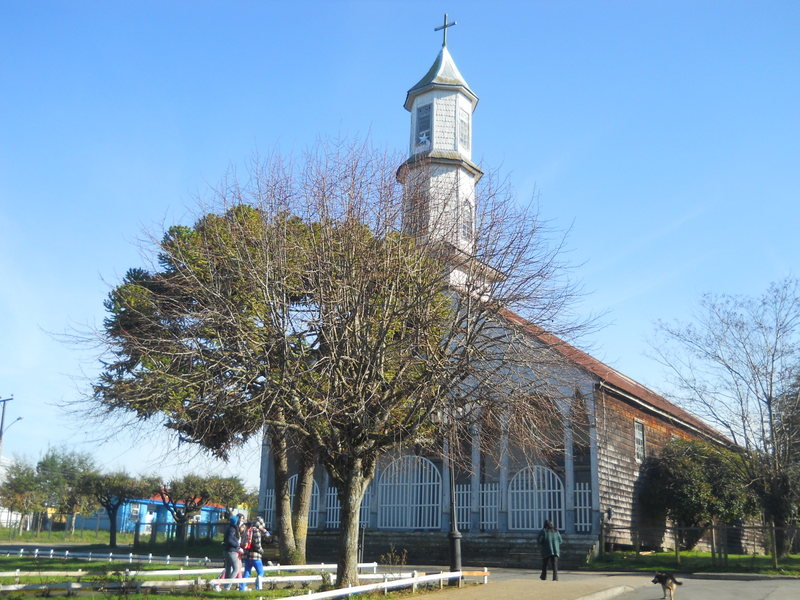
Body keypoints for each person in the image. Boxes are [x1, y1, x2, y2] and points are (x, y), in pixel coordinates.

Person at [241, 516, 269, 590]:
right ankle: (258, 588)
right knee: (261, 573)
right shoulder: (256, 530)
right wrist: (261, 551)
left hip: (248, 555)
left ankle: (242, 588)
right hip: (255, 556)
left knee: (247, 572)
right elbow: (257, 544)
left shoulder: (249, 529)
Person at [222, 513, 244, 590]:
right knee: (236, 569)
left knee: (228, 569)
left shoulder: (229, 528)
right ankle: (227, 586)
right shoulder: (232, 529)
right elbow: (229, 540)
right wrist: (237, 545)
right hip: (232, 551)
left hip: (226, 550)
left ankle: (225, 586)